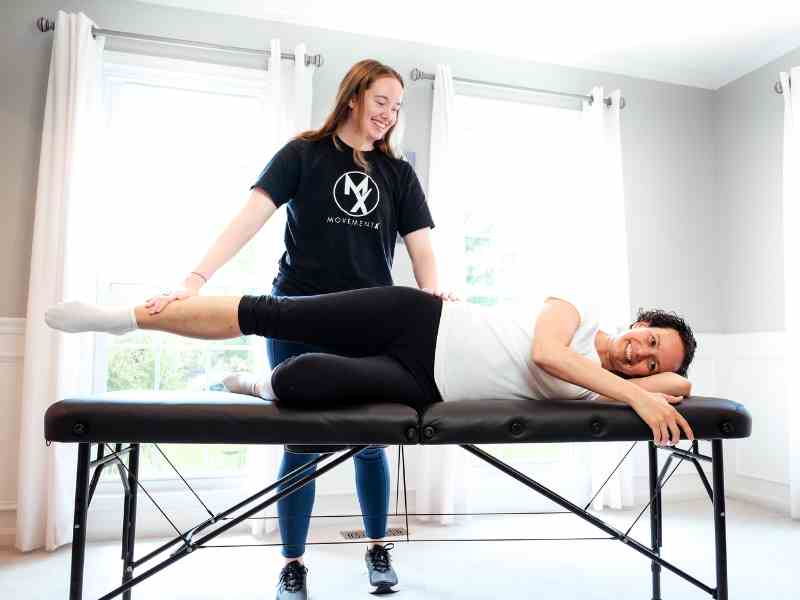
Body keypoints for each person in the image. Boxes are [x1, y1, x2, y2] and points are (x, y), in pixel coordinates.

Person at [137, 59, 454, 598]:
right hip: (296, 313)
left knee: (370, 442)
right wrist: (193, 281)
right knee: (301, 443)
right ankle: (293, 564)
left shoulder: (398, 174)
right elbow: (248, 218)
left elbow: (422, 248)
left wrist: (434, 301)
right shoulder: (303, 154)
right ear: (353, 97)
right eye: (381, 102)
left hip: (368, 320)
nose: (389, 115)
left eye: (397, 107)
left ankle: (378, 548)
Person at [46, 286, 698, 448]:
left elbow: (684, 383)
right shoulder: (578, 311)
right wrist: (637, 394)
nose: (641, 356)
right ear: (639, 320)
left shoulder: (609, 388)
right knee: (275, 314)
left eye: (650, 363)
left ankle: (251, 382)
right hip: (416, 320)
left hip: (423, 383)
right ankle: (124, 317)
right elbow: (546, 355)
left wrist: (647, 386)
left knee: (299, 382)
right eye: (648, 339)